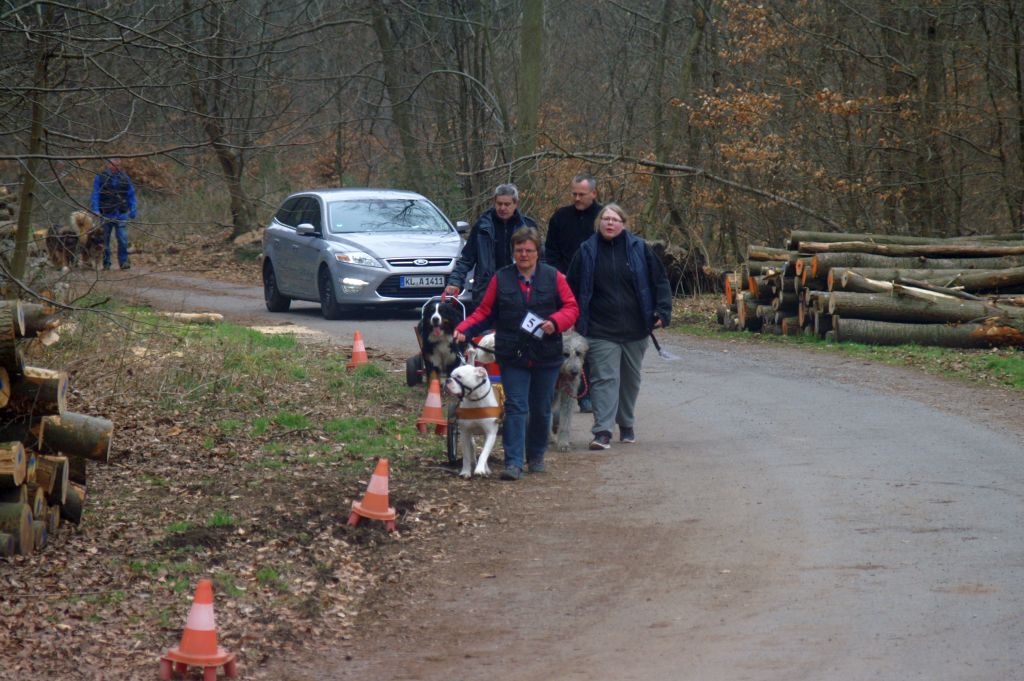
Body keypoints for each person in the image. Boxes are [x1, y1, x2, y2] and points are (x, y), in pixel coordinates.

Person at [454, 227, 579, 480]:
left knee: (541, 408)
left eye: (529, 250)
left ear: (537, 252)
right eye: (519, 250)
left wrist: (555, 322)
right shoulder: (501, 278)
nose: (524, 255)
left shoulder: (554, 277)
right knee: (516, 406)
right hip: (512, 354)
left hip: (546, 354)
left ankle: (536, 457)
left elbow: (571, 308)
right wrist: (463, 329)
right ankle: (513, 462)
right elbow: (485, 312)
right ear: (513, 252)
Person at [566, 203, 672, 451]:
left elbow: (660, 281)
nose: (610, 223)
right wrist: (571, 318)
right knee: (604, 379)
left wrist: (663, 311)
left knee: (630, 381)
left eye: (615, 219)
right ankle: (602, 431)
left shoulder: (639, 249)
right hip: (600, 329)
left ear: (623, 224)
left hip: (636, 328)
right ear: (599, 223)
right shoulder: (586, 251)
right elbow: (571, 287)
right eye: (606, 219)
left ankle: (626, 423)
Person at [544, 174, 603, 413]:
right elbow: (551, 252)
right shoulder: (560, 217)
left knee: (589, 343)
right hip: (564, 287)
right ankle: (562, 393)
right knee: (568, 342)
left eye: (582, 194)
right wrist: (559, 278)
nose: (577, 198)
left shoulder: (603, 218)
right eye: (574, 194)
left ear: (593, 194)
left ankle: (587, 393)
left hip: (595, 290)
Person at [444, 184, 537, 307]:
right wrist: (454, 282)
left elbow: (540, 259)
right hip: (486, 292)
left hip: (519, 290)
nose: (502, 208)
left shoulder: (528, 227)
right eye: (499, 204)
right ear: (494, 202)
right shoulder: (482, 227)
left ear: (516, 204)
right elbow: (466, 259)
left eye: (507, 204)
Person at [90, 158, 137, 270]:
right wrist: (95, 209)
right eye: (113, 164)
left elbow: (131, 195)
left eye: (118, 165)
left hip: (121, 213)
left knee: (123, 239)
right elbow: (95, 194)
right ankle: (106, 263)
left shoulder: (125, 178)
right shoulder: (100, 177)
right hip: (105, 214)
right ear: (109, 165)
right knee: (104, 240)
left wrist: (133, 209)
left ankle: (124, 262)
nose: (116, 167)